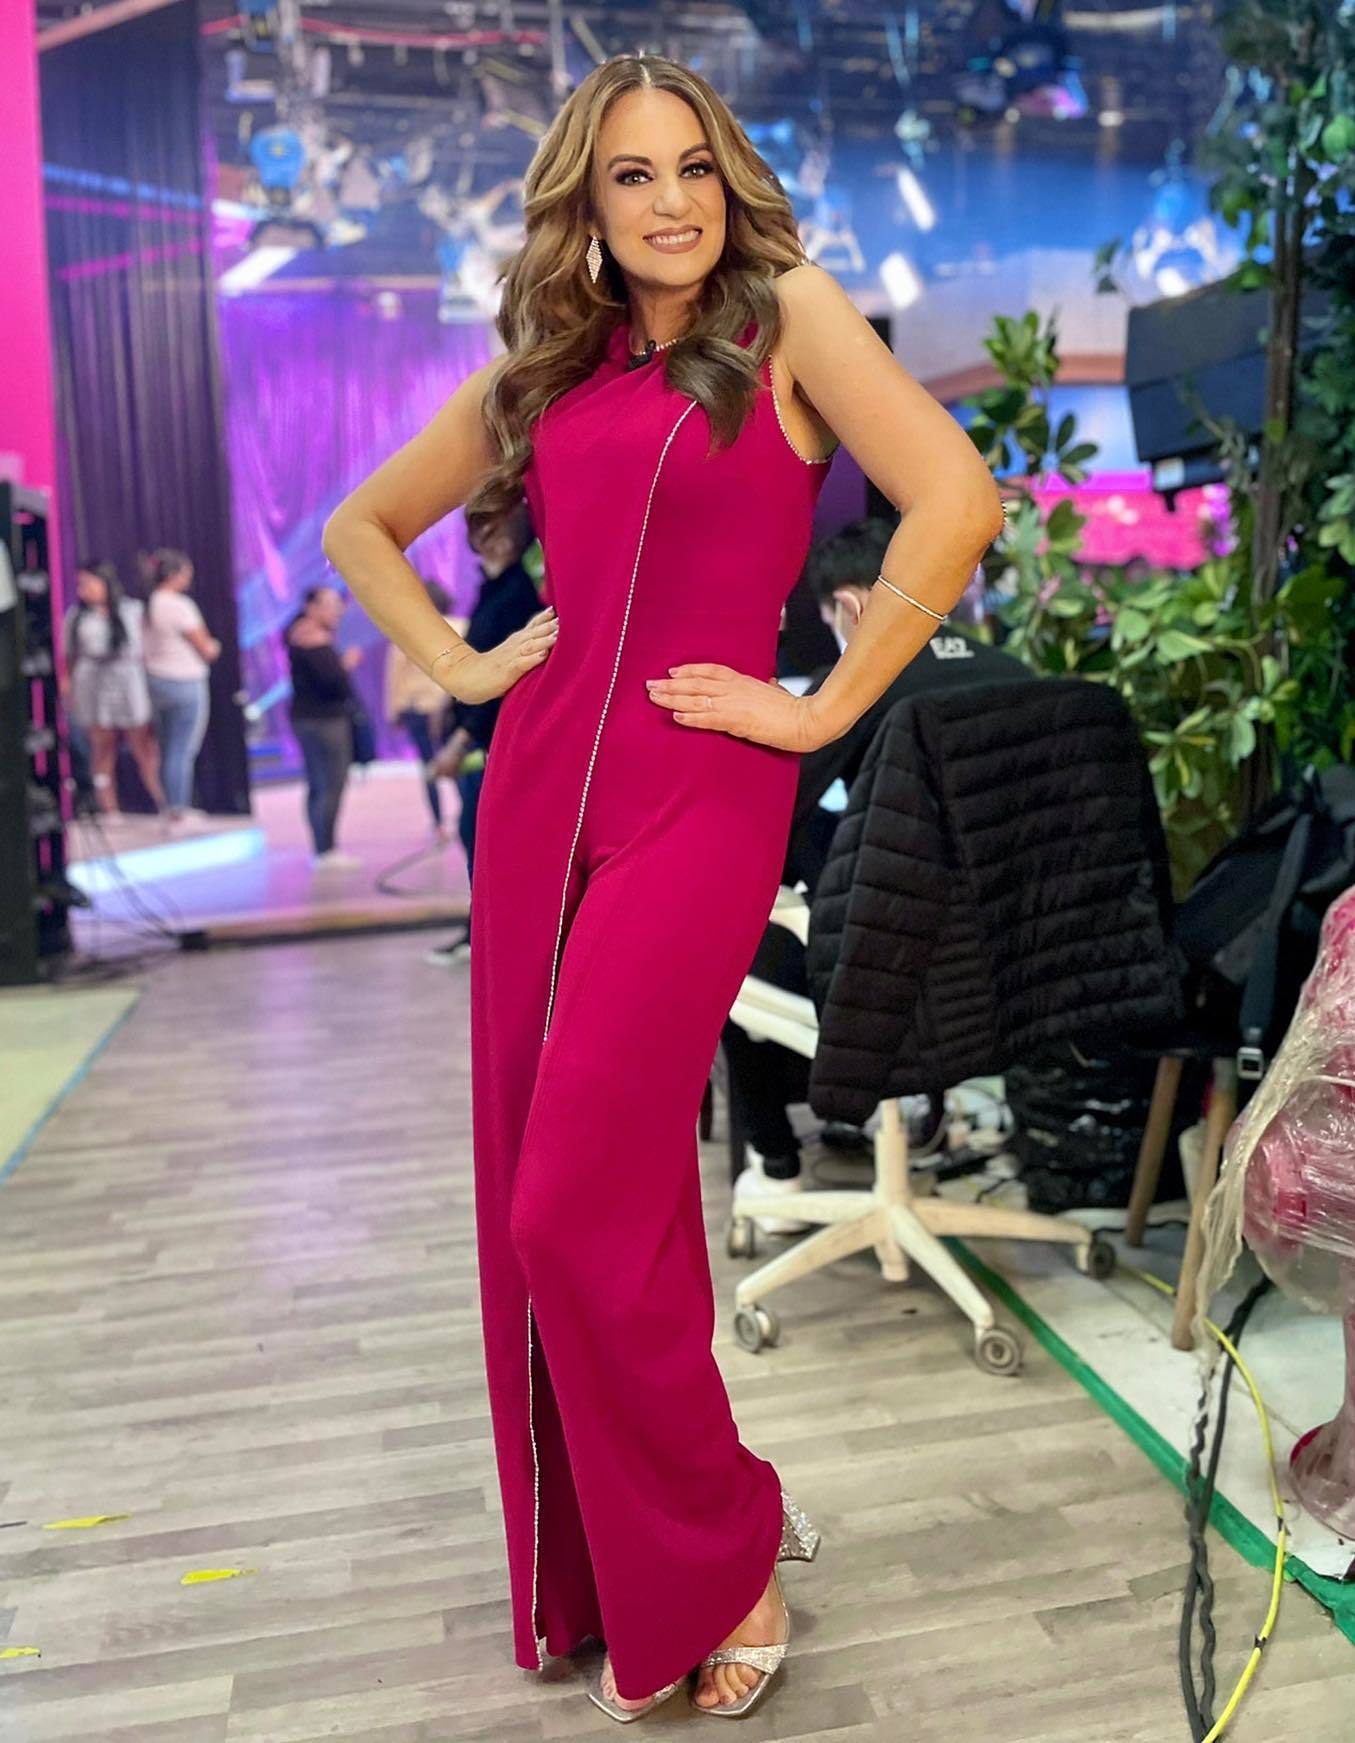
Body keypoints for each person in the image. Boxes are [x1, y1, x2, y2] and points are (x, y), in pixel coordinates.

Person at [321, 53, 1001, 1722]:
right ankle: (637, 1558)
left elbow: (957, 499)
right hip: (538, 794)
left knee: (563, 1204)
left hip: (703, 789)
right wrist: (462, 666)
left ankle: (726, 1529)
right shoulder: (549, 369)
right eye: (632, 175)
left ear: (728, 176)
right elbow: (360, 528)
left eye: (692, 165)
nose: (670, 200)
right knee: (583, 1194)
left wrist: (824, 708)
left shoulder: (790, 317)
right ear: (591, 201)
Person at [721, 516, 1031, 1231]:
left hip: (895, 970)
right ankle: (905, 1114)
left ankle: (779, 1171)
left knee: (729, 947)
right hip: (1012, 968)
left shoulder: (862, 680)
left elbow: (777, 810)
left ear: (849, 607)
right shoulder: (1016, 675)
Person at [424, 504, 541, 968]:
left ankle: (487, 937)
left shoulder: (517, 594)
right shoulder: (493, 588)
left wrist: (461, 740)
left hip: (493, 741)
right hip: (479, 737)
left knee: (483, 841)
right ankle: (481, 934)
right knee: (475, 838)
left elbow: (502, 676)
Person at [61, 560, 168, 817]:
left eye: (89, 582)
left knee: (144, 746)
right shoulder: (76, 617)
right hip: (92, 683)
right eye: (80, 584)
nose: (84, 589)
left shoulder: (132, 610)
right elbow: (69, 657)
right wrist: (68, 687)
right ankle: (109, 809)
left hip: (128, 679)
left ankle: (166, 802)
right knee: (102, 747)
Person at [140, 547, 222, 824]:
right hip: (184, 681)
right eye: (186, 573)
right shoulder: (179, 605)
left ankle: (169, 806)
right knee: (182, 749)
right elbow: (205, 646)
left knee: (167, 748)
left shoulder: (148, 603)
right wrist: (214, 648)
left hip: (155, 680)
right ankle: (178, 808)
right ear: (173, 575)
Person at [285, 585, 363, 868]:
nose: (337, 611)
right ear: (311, 607)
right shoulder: (314, 640)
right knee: (331, 783)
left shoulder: (296, 635)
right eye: (330, 604)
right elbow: (335, 684)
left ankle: (321, 847)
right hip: (326, 721)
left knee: (317, 784)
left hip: (305, 718)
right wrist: (345, 666)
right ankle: (326, 849)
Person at [384, 578, 464, 842]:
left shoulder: (407, 632)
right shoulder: (462, 626)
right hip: (451, 706)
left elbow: (395, 675)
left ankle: (439, 824)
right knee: (458, 762)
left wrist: (393, 711)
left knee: (429, 767)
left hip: (416, 708)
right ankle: (468, 815)